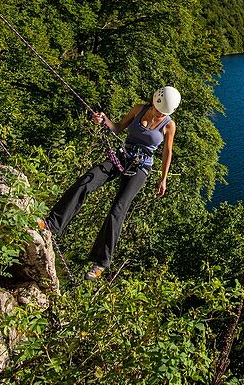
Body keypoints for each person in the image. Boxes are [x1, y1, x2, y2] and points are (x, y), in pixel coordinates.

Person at [41, 86, 180, 279]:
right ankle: (52, 224)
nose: (159, 114)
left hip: (141, 167)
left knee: (118, 209)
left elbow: (167, 152)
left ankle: (100, 262)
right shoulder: (138, 109)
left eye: (163, 112)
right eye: (158, 110)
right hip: (122, 156)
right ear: (154, 101)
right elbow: (117, 127)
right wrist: (103, 120)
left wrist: (163, 178)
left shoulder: (169, 125)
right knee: (86, 181)